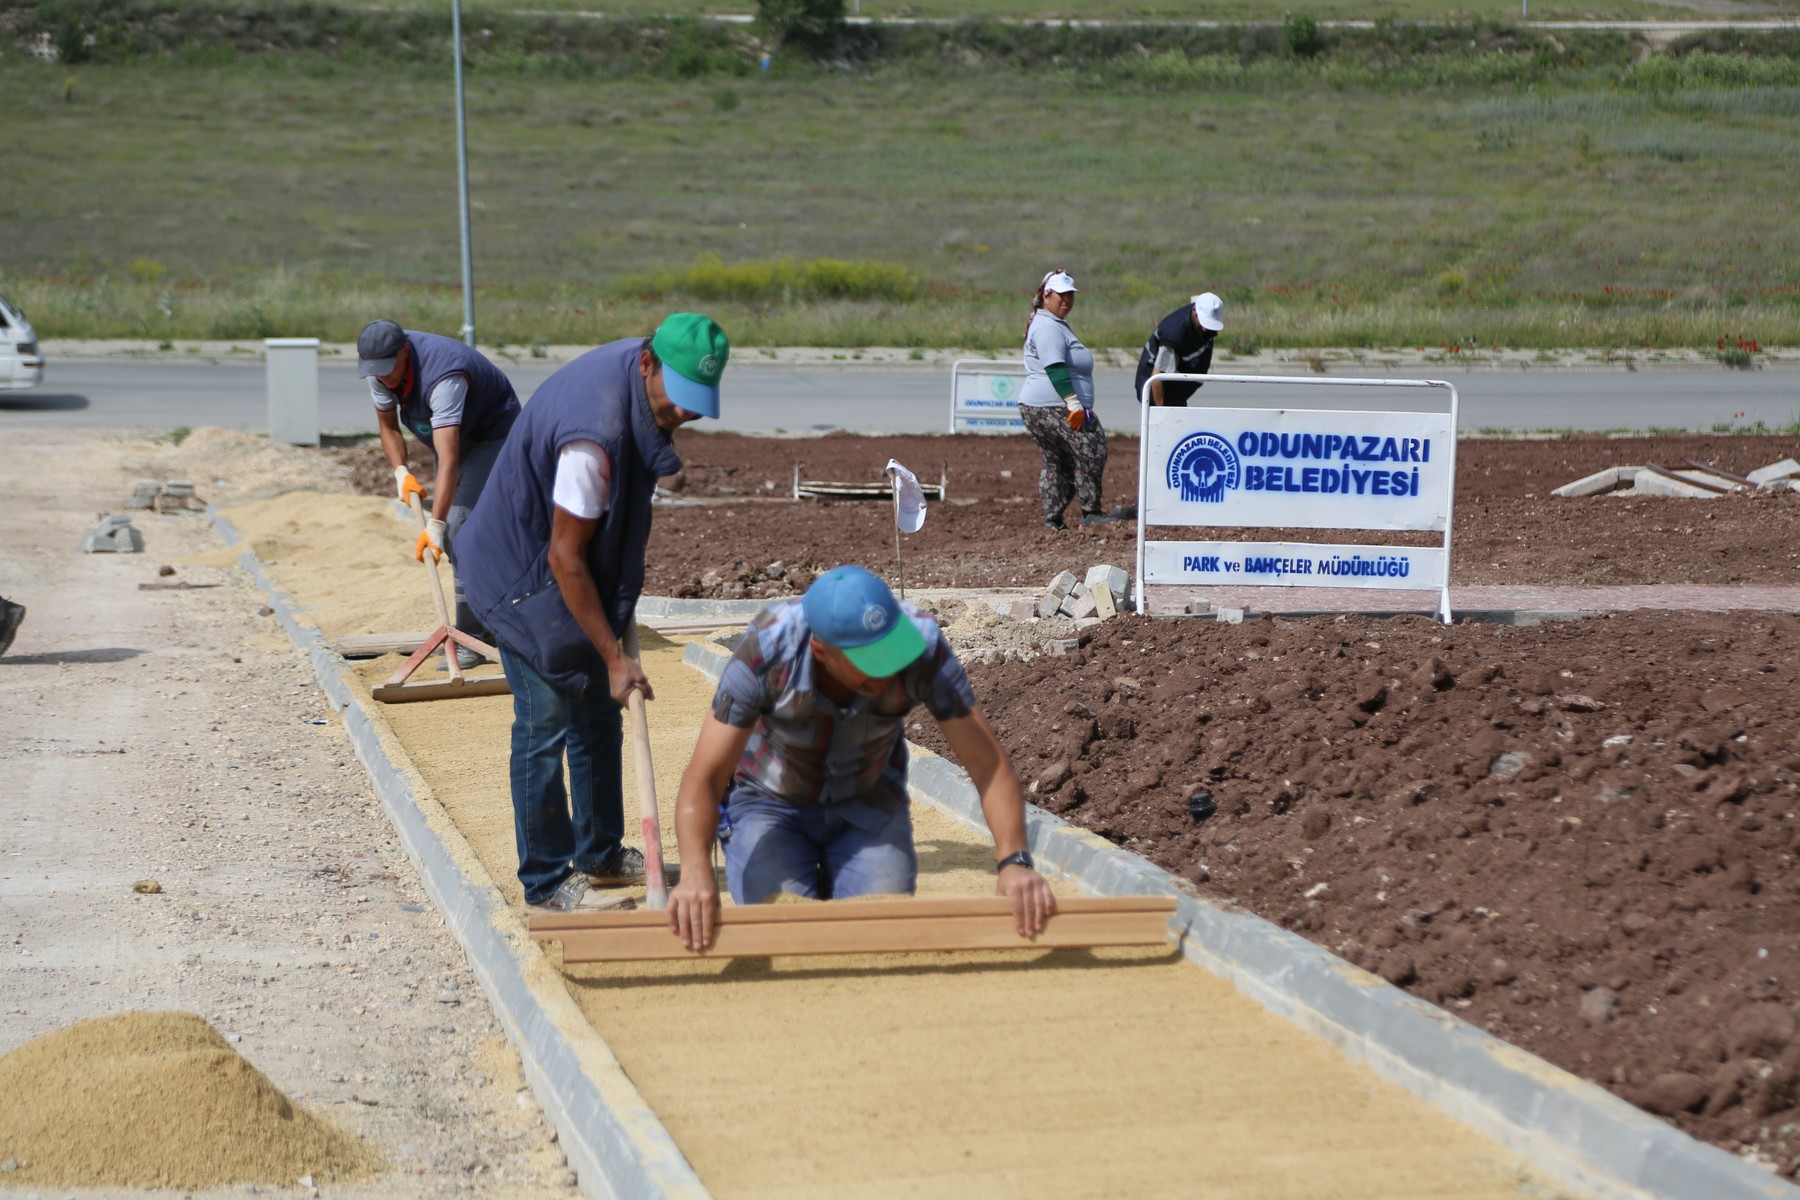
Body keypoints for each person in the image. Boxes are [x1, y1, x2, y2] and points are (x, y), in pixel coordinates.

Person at [456, 314, 729, 914]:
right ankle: (547, 882)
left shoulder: (634, 383)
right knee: (546, 717)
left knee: (601, 706)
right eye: (676, 399)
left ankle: (599, 850)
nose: (684, 414)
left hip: (558, 564)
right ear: (647, 364)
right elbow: (565, 555)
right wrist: (614, 655)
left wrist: (610, 652)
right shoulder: (594, 436)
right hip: (519, 576)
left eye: (695, 403)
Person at [664, 565, 1057, 951]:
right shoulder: (768, 649)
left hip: (867, 801)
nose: (890, 670)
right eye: (871, 663)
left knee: (879, 936)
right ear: (821, 650)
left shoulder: (920, 646)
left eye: (890, 650)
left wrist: (1014, 861)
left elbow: (986, 762)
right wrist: (696, 871)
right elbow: (705, 775)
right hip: (769, 803)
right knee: (782, 935)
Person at [357, 319, 522, 668]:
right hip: (454, 440)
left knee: (457, 528)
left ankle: (472, 640)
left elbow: (449, 461)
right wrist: (400, 471)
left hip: (496, 437)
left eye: (389, 370)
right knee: (457, 528)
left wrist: (437, 524)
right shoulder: (379, 370)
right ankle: (490, 619)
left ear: (405, 352)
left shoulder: (445, 375)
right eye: (376, 372)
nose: (384, 378)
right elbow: (387, 427)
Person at [1019, 270, 1116, 531]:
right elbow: (1055, 368)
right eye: (1061, 295)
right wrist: (1072, 402)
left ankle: (1053, 519)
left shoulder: (1047, 322)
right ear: (1047, 296)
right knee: (1092, 450)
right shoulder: (1048, 327)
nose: (1067, 301)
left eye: (1070, 296)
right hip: (1057, 406)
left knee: (1058, 462)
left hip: (1039, 406)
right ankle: (1090, 512)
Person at [1134, 292, 1225, 408]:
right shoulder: (1173, 338)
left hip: (1178, 389)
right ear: (1194, 311)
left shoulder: (1203, 305)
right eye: (1203, 322)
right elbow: (1157, 377)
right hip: (1156, 391)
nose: (1205, 329)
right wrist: (1162, 412)